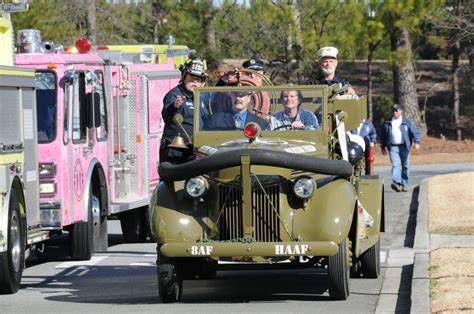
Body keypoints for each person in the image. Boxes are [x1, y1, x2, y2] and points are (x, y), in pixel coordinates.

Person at [160, 57, 208, 164]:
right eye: (192, 77)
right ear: (184, 76)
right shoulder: (174, 95)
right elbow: (167, 115)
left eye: (199, 79)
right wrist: (174, 106)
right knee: (172, 180)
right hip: (176, 150)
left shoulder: (204, 98)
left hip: (197, 150)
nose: (195, 81)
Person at [380, 104, 421, 192]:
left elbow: (415, 132)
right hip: (393, 147)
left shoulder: (406, 122)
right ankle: (397, 183)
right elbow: (383, 135)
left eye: (396, 110)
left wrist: (417, 142)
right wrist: (383, 147)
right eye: (393, 111)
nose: (394, 112)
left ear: (401, 111)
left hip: (404, 147)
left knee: (405, 166)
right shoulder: (388, 122)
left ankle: (404, 184)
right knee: (395, 165)